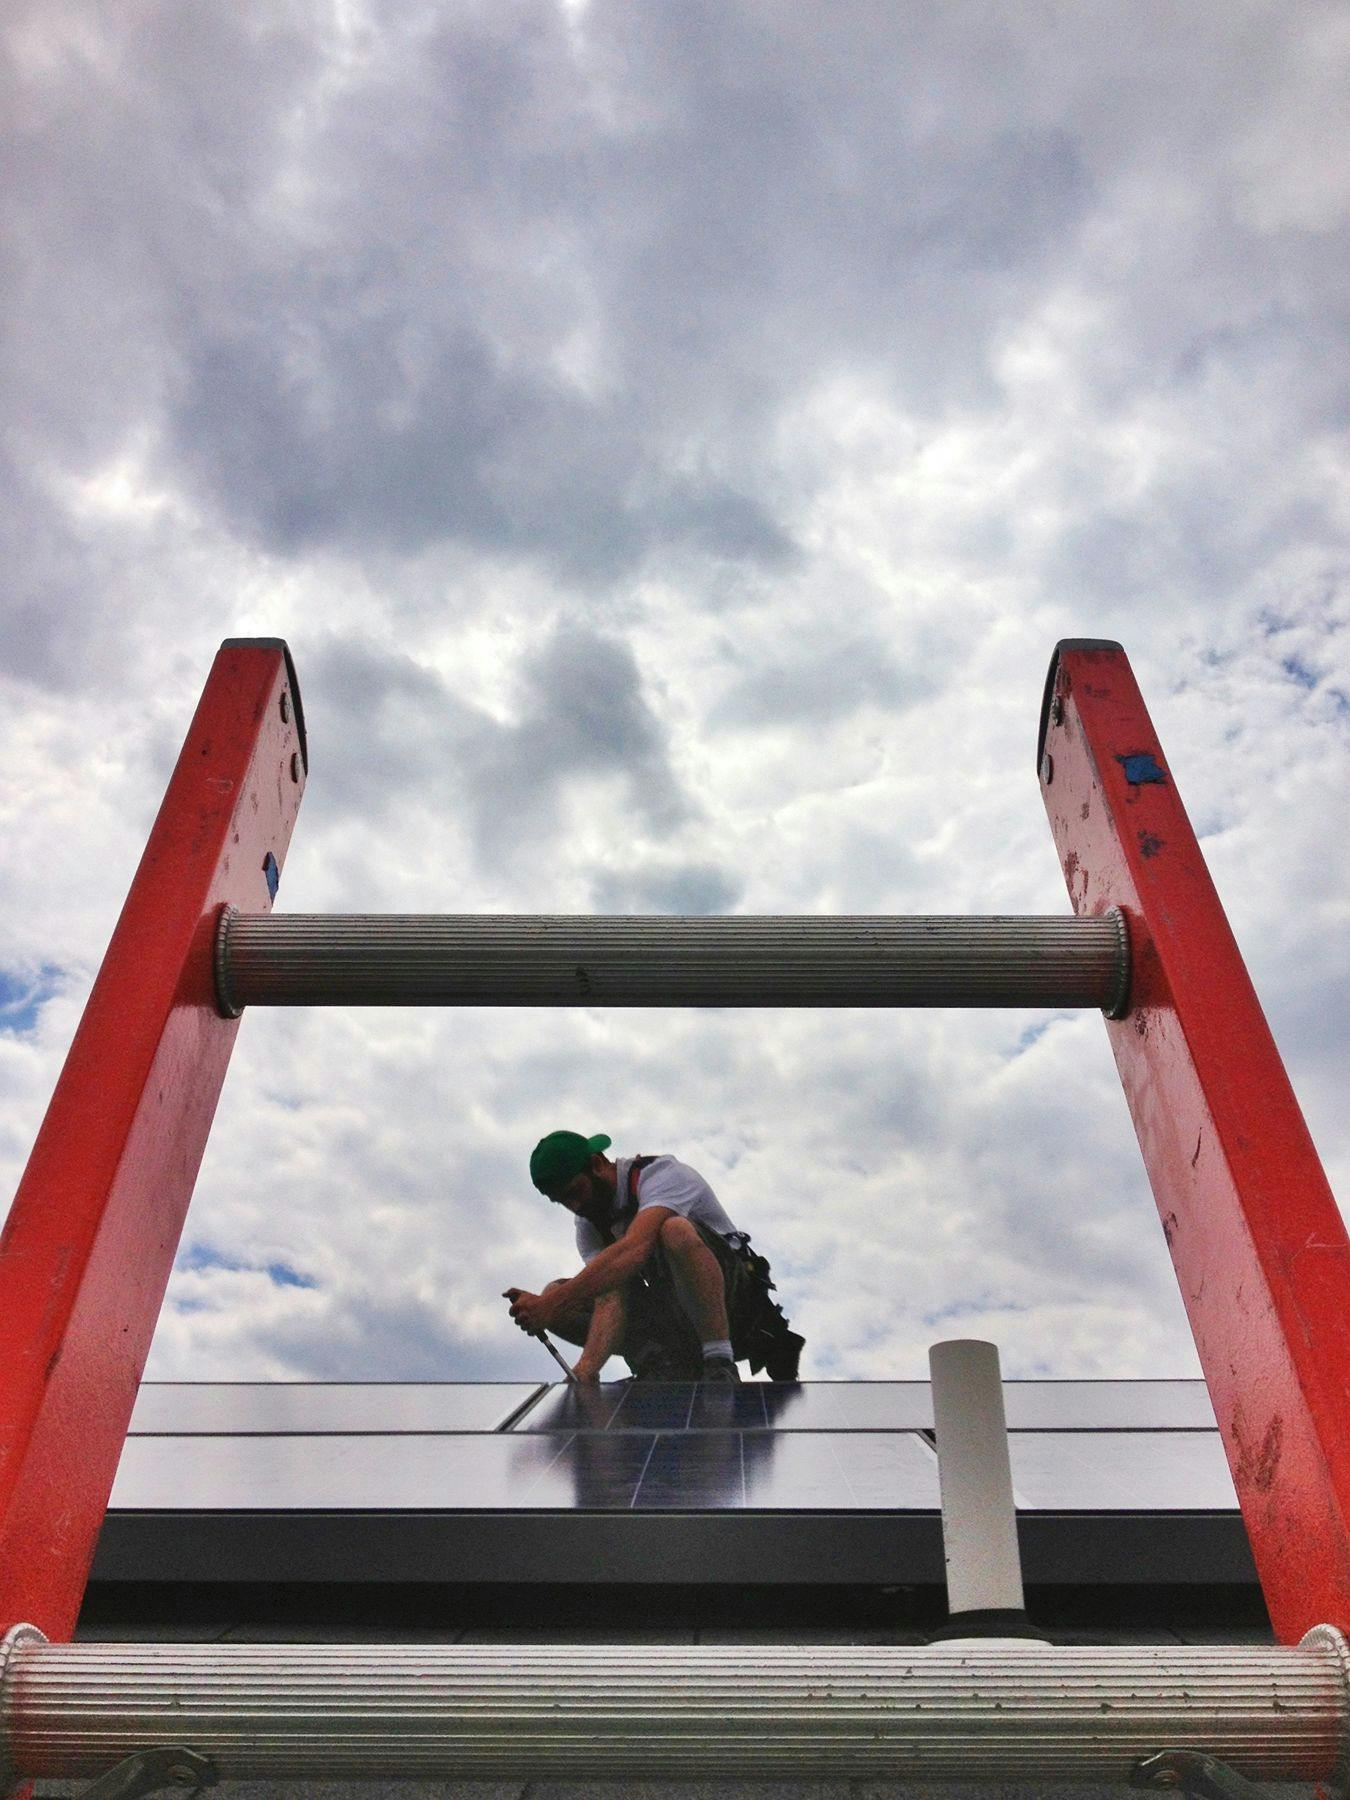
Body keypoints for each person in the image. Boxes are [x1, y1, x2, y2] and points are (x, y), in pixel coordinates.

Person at [505, 1130, 805, 1384]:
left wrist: (549, 1307)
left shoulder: (661, 1176)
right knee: (561, 1292)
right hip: (677, 1322)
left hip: (736, 1311)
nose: (575, 1206)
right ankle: (661, 1366)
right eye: (563, 1201)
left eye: (576, 1191)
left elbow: (635, 1249)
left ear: (596, 1165)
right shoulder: (589, 1224)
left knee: (672, 1230)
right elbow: (611, 1295)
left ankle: (718, 1363)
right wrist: (585, 1370)